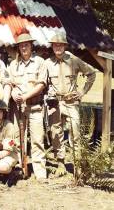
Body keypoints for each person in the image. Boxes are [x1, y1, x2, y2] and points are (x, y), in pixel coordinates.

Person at [44, 33, 96, 176]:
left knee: (75, 132)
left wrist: (82, 92)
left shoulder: (73, 60)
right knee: (56, 132)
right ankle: (61, 164)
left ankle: (77, 165)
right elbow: (42, 82)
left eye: (60, 44)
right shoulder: (47, 63)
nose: (58, 47)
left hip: (71, 102)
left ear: (65, 46)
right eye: (55, 45)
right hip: (55, 103)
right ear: (52, 47)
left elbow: (92, 73)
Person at [8, 33, 47, 180]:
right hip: (17, 108)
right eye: (21, 45)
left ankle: (39, 171)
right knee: (17, 138)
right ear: (18, 47)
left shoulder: (39, 62)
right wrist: (13, 93)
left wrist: (26, 96)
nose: (24, 47)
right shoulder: (13, 64)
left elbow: (41, 84)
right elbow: (10, 84)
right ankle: (19, 166)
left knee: (37, 139)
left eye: (27, 44)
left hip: (34, 106)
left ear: (31, 46)